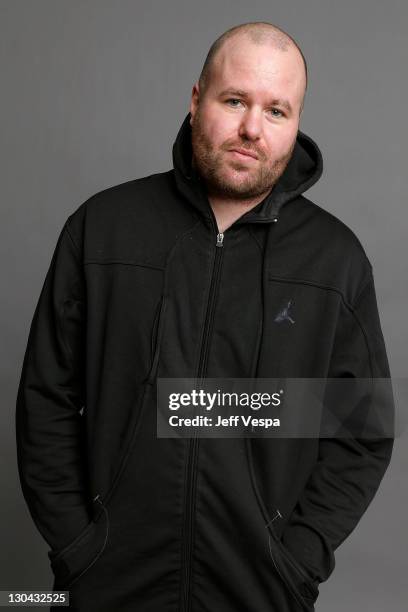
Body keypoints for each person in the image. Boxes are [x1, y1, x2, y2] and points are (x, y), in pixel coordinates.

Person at [16, 21, 394, 612]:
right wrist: (78, 546)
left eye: (277, 111)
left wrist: (295, 557)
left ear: (296, 124)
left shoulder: (334, 260)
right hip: (108, 585)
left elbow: (361, 430)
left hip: (260, 591)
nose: (252, 129)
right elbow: (47, 398)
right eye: (236, 100)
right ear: (197, 101)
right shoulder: (103, 229)